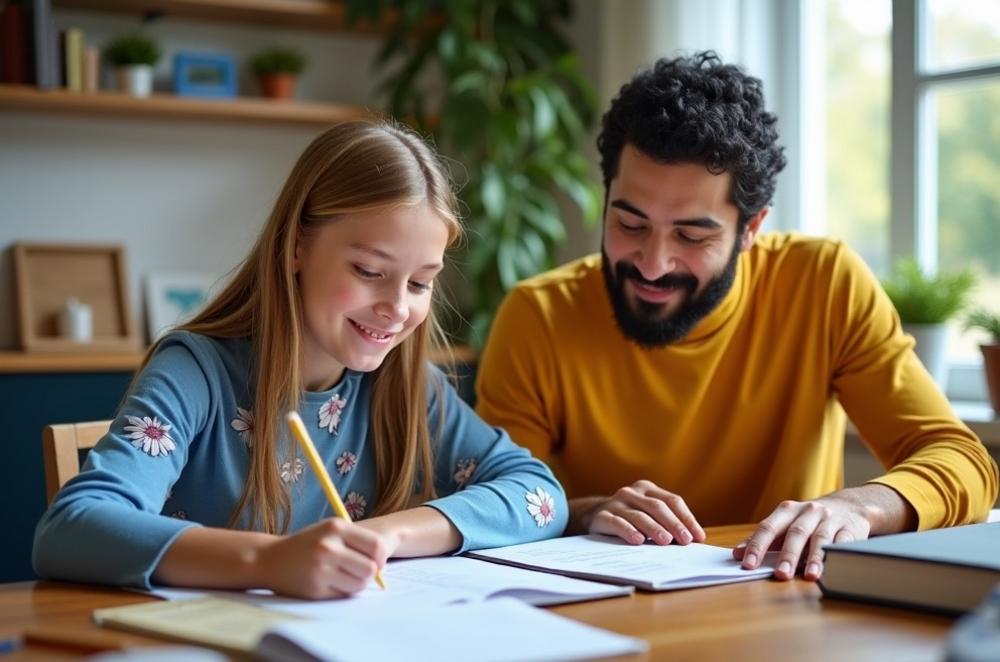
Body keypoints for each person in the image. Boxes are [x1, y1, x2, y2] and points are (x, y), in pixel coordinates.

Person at [475, 51, 998, 582]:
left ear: (751, 228)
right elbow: (488, 500)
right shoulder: (537, 315)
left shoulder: (823, 283)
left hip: (777, 608)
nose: (653, 264)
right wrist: (586, 511)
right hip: (603, 615)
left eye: (692, 235)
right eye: (630, 224)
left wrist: (860, 507)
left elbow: (962, 461)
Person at [33, 121, 567, 599]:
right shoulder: (197, 372)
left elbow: (541, 496)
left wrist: (387, 535)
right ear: (297, 247)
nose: (397, 308)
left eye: (421, 282)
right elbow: (72, 528)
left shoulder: (406, 384)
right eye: (368, 270)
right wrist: (269, 561)